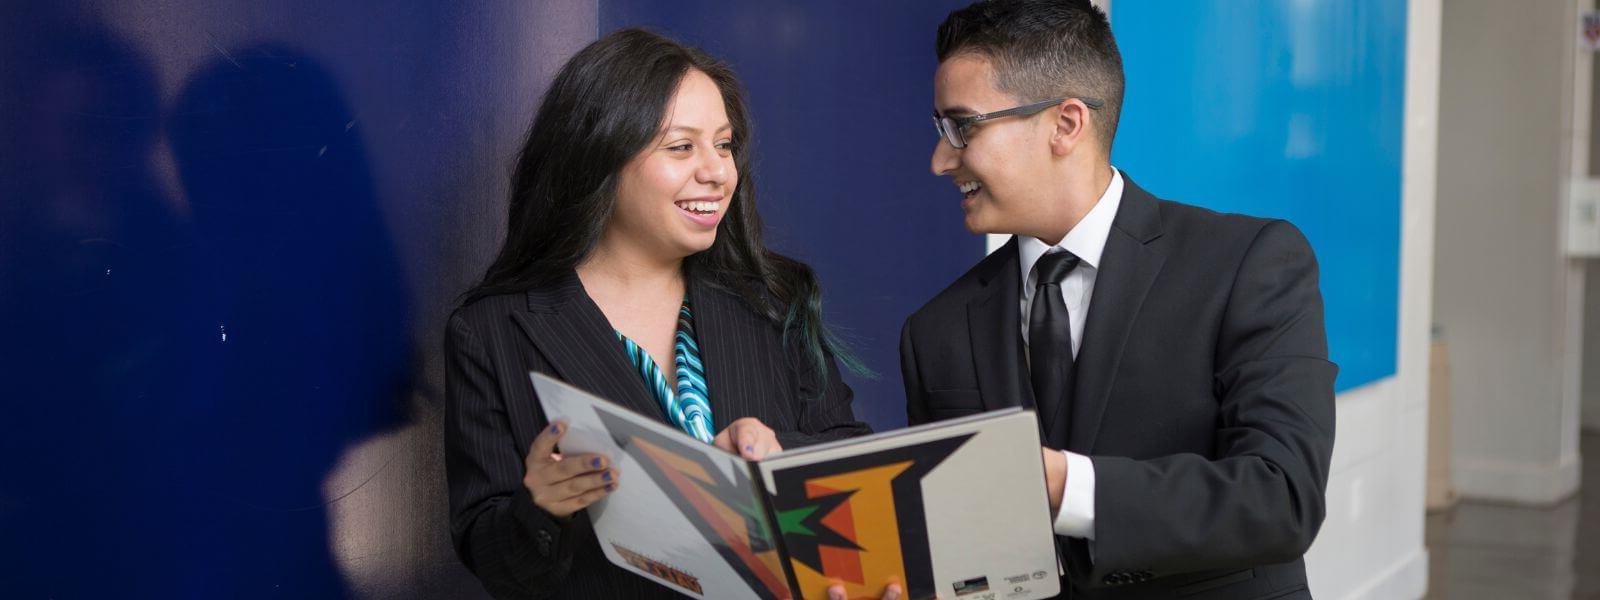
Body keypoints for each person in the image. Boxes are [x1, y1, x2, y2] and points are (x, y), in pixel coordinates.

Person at [900, 1, 1336, 598]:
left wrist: (1064, 488)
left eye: (963, 126)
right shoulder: (934, 330)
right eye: (940, 130)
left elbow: (1281, 496)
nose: (939, 160)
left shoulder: (1251, 264)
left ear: (1066, 124)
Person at [444, 28, 892, 599]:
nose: (718, 172)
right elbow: (492, 561)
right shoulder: (492, 330)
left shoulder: (774, 300)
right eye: (681, 147)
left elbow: (855, 469)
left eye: (724, 145)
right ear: (599, 157)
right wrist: (542, 507)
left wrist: (778, 456)